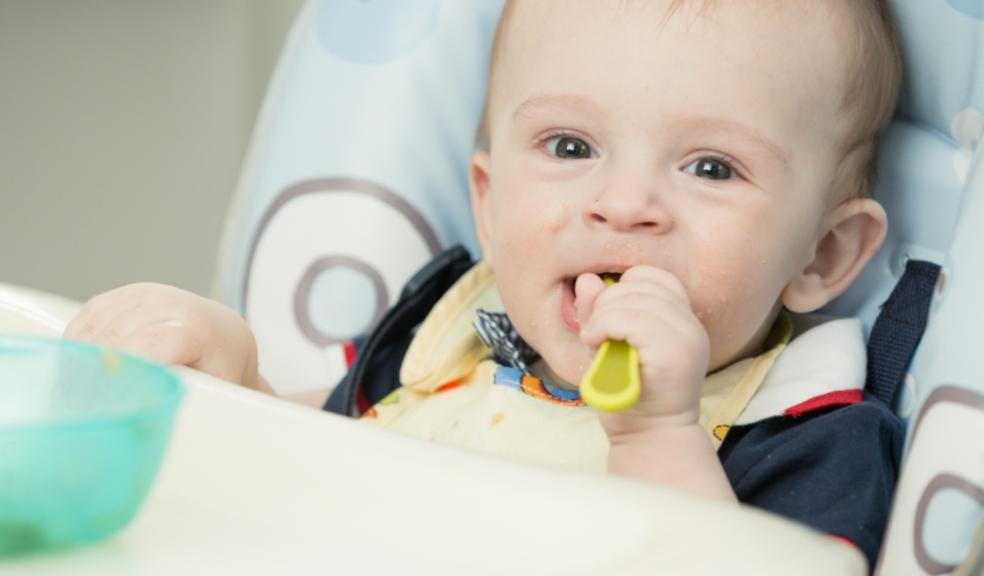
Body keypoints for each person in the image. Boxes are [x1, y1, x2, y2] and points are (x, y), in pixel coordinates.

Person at [65, 0, 904, 567]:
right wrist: (232, 378)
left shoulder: (810, 433)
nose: (623, 206)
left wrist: (658, 437)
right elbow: (323, 454)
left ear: (822, 256)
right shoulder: (446, 334)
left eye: (711, 167)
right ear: (491, 203)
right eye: (571, 147)